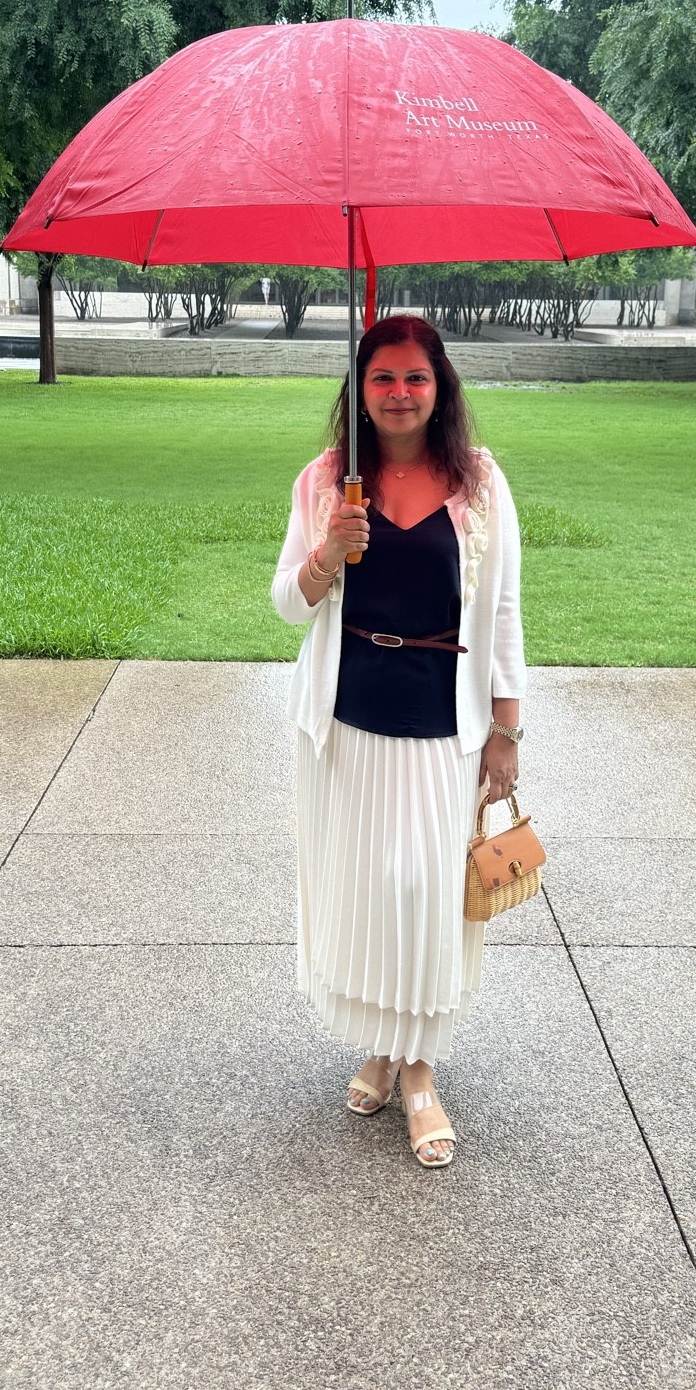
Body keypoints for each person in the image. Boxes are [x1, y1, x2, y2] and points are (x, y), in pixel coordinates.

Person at [272, 314, 526, 1168]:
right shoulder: (326, 482)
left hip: (440, 724)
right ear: (361, 388)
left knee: (420, 890)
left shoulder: (480, 484)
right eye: (382, 378)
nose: (399, 393)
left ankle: (419, 1071)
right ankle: (378, 1048)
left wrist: (507, 730)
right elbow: (286, 603)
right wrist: (325, 556)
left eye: (416, 377)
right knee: (367, 888)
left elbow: (507, 614)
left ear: (440, 386)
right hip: (345, 722)